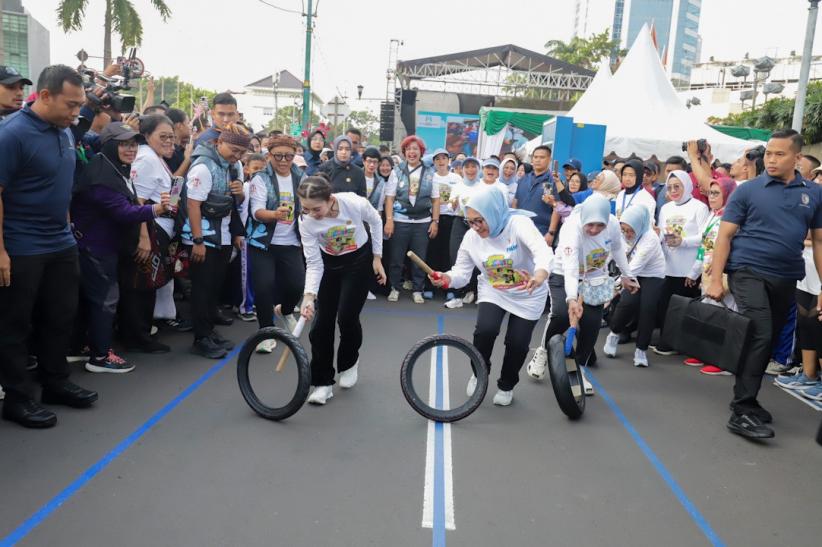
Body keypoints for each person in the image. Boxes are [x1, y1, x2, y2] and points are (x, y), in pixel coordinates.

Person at [705, 129, 822, 440]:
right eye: (769, 153)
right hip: (747, 271)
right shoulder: (748, 190)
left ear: (797, 158)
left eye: (779, 154)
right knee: (760, 332)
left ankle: (749, 398)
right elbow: (724, 236)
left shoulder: (813, 193)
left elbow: (819, 242)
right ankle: (741, 409)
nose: (771, 159)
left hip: (787, 276)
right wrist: (716, 279)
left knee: (768, 342)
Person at [0, 65, 98, 428]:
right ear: (44, 96)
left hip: (60, 242)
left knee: (60, 316)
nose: (77, 112)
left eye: (80, 104)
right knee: (15, 325)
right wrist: (0, 251)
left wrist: (67, 224)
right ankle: (18, 398)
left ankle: (55, 382)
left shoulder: (65, 130)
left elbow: (61, 183)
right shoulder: (12, 134)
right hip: (21, 245)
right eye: (71, 105)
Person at [430, 188, 552, 405]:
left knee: (517, 343)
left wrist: (540, 275)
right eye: (470, 222)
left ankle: (506, 385)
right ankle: (479, 373)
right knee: (485, 331)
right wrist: (447, 278)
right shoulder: (471, 237)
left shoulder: (519, 225)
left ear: (493, 212)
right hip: (494, 289)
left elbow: (543, 251)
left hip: (529, 292)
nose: (475, 227)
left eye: (479, 220)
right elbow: (461, 273)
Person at [71, 122, 172, 373]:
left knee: (91, 300)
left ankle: (79, 347)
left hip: (101, 245)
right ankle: (100, 357)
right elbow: (124, 211)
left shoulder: (114, 167)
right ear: (110, 145)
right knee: (105, 301)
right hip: (96, 248)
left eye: (134, 144)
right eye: (124, 144)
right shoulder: (101, 176)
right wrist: (157, 209)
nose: (131, 149)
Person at [528, 195, 638, 393]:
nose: (594, 230)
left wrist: (627, 275)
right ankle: (543, 351)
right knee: (562, 315)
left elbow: (617, 249)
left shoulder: (613, 224)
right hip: (563, 273)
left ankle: (580, 369)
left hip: (594, 276)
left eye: (600, 225)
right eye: (590, 225)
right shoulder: (572, 228)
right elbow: (570, 268)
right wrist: (571, 299)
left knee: (591, 324)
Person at [297, 176, 386, 405]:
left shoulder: (353, 203)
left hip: (358, 262)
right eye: (306, 208)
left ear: (330, 199)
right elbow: (313, 263)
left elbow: (376, 221)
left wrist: (377, 257)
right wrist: (309, 296)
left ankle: (349, 363)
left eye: (316, 209)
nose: (311, 214)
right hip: (328, 264)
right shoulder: (306, 221)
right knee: (321, 325)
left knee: (346, 317)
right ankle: (322, 383)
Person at [181, 124, 249, 359]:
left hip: (224, 235)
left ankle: (209, 331)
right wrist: (198, 240)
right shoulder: (203, 167)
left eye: (242, 152)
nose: (237, 156)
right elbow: (193, 205)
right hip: (203, 237)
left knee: (214, 287)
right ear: (219, 143)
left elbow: (237, 202)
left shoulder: (234, 166)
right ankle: (200, 338)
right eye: (233, 150)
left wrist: (240, 192)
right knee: (202, 288)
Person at [121, 114, 178, 352]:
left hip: (160, 228)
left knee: (148, 284)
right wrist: (144, 238)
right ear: (146, 135)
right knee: (141, 285)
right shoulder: (146, 159)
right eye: (162, 136)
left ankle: (142, 333)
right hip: (150, 229)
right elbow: (138, 202)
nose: (169, 141)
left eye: (171, 137)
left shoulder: (156, 157)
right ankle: (138, 337)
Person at [246, 135, 305, 351]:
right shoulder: (261, 179)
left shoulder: (301, 177)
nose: (283, 160)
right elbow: (256, 211)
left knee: (297, 285)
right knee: (264, 287)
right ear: (269, 156)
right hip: (263, 243)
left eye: (288, 156)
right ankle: (266, 333)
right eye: (278, 156)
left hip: (291, 242)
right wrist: (274, 214)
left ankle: (286, 311)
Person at [650, 170, 710, 356]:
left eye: (677, 186)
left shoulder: (699, 207)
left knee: (683, 308)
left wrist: (683, 241)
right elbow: (663, 233)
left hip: (688, 268)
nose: (673, 191)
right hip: (668, 266)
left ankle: (677, 344)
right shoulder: (666, 208)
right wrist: (657, 234)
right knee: (665, 306)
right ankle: (666, 340)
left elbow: (705, 237)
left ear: (687, 186)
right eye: (669, 188)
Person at [683, 177, 738, 375]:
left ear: (728, 195)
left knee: (725, 316)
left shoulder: (734, 217)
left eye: (716, 193)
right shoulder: (713, 215)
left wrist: (719, 263)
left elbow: (734, 245)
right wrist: (694, 272)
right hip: (708, 271)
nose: (711, 197)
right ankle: (707, 353)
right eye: (710, 193)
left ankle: (724, 362)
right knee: (708, 314)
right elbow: (704, 245)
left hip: (724, 273)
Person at [602, 206, 665, 367]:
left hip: (652, 275)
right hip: (631, 272)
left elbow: (633, 268)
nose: (627, 234)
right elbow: (611, 252)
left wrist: (611, 291)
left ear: (639, 226)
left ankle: (641, 349)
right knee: (627, 303)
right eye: (624, 230)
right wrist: (600, 269)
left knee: (648, 309)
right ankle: (614, 334)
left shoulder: (650, 238)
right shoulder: (620, 234)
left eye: (631, 231)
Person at [384, 135, 441, 304]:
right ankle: (395, 287)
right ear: (404, 152)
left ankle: (418, 289)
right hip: (400, 220)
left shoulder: (430, 172)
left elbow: (435, 199)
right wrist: (389, 220)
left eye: (415, 149)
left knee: (420, 259)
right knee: (396, 258)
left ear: (421, 152)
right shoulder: (397, 171)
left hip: (422, 222)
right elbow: (389, 198)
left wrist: (435, 221)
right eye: (408, 149)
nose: (412, 152)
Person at [445, 157, 483, 308]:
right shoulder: (458, 186)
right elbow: (450, 205)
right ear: (462, 169)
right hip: (460, 222)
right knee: (455, 255)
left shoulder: (482, 186)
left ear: (478, 169)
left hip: (478, 224)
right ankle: (457, 293)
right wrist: (452, 205)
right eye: (467, 167)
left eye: (474, 167)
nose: (470, 170)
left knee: (478, 257)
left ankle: (474, 290)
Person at [428, 148, 461, 291]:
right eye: (437, 159)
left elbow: (459, 198)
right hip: (434, 219)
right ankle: (431, 286)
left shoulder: (456, 178)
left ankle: (449, 286)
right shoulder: (430, 177)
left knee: (449, 252)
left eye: (444, 158)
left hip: (452, 219)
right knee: (433, 251)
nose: (441, 161)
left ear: (449, 161)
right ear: (434, 162)